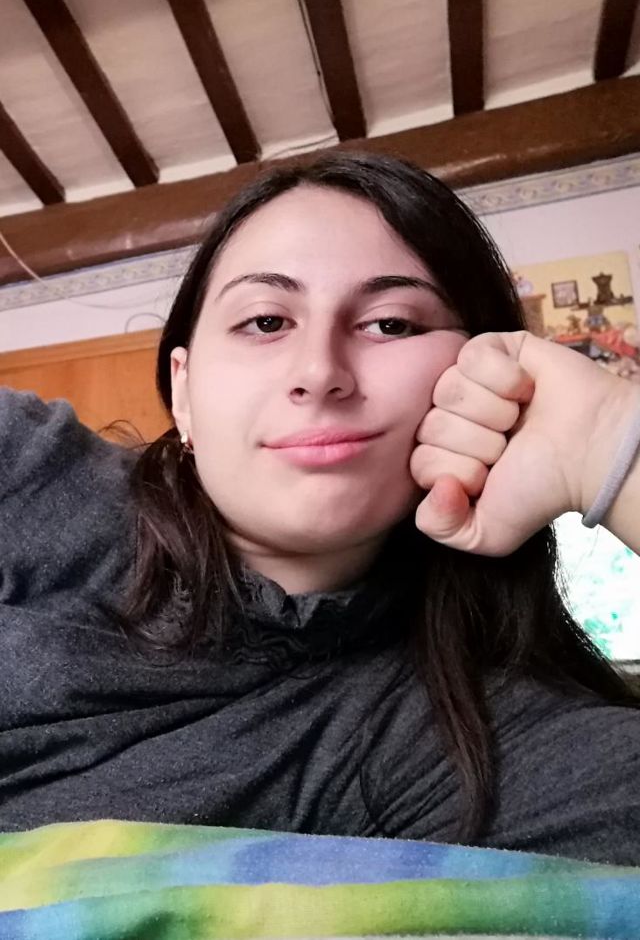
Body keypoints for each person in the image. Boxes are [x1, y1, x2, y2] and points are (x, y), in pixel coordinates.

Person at [1, 152, 639, 865]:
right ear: (183, 391)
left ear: (487, 372)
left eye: (390, 324)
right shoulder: (22, 465)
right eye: (265, 320)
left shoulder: (473, 739)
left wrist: (610, 444)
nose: (319, 373)